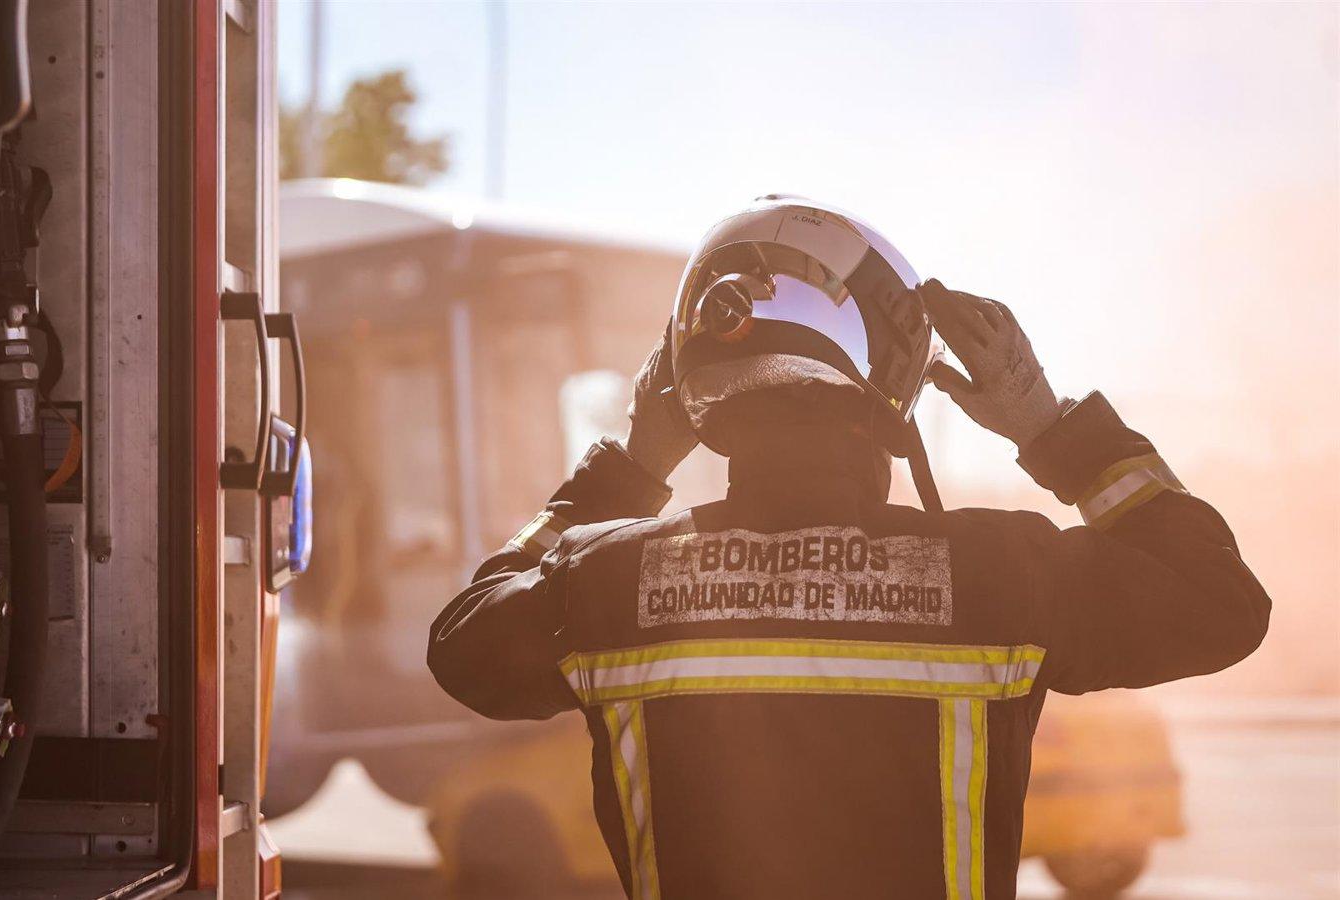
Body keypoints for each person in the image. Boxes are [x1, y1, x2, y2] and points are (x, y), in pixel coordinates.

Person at [426, 196, 1270, 899]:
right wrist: (1052, 428)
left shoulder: (603, 582)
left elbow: (462, 639)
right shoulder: (1003, 573)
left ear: (689, 392)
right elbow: (1222, 603)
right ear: (892, 376)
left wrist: (632, 465)